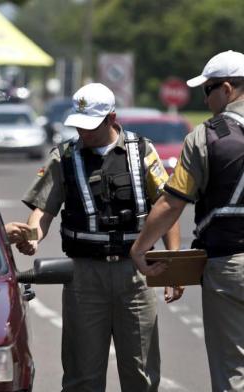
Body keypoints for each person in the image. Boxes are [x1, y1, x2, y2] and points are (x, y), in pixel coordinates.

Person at [16, 83, 182, 392]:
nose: (83, 132)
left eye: (90, 126)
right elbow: (43, 210)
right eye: (78, 125)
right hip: (84, 277)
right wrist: (33, 236)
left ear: (112, 118)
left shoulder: (142, 151)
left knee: (141, 373)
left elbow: (167, 207)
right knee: (82, 375)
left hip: (135, 276)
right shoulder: (64, 156)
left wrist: (173, 265)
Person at [130, 50, 244, 392]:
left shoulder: (206, 137)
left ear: (226, 89)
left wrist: (141, 248)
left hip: (231, 266)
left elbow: (171, 203)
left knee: (234, 370)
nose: (205, 99)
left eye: (206, 90)